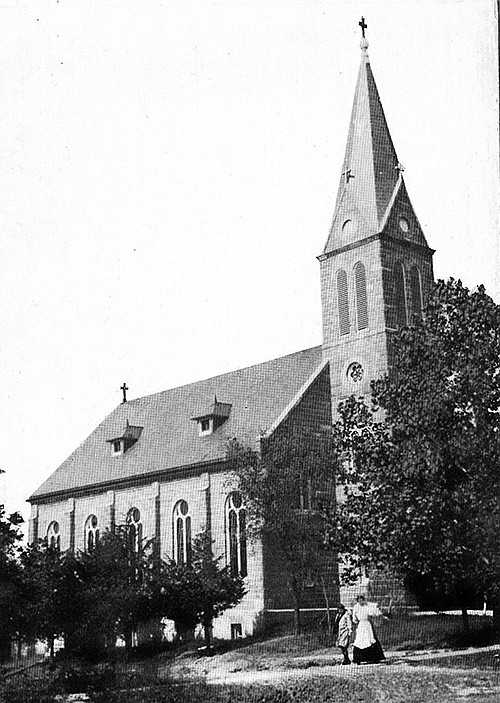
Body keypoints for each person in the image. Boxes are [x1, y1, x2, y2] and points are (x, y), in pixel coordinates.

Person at [352, 594, 387, 665]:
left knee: (370, 639)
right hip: (361, 625)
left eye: (362, 600)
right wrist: (356, 622)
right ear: (357, 601)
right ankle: (358, 659)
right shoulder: (356, 607)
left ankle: (374, 658)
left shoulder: (367, 607)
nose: (361, 602)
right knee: (359, 641)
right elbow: (354, 618)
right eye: (359, 601)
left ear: (364, 600)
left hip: (367, 624)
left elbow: (372, 613)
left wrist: (378, 613)